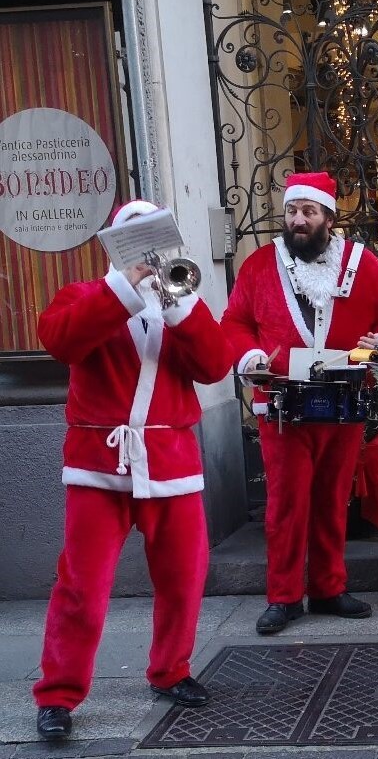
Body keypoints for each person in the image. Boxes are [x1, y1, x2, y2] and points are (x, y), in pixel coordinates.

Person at [32, 200, 234, 740]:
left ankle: (171, 670)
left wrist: (179, 307)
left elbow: (216, 365)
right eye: (135, 241)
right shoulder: (85, 295)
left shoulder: (182, 298)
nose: (149, 255)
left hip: (171, 464)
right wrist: (123, 290)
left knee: (184, 578)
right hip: (99, 466)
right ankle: (57, 694)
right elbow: (61, 339)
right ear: (114, 247)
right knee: (83, 586)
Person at [221, 171, 378, 635]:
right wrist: (249, 354)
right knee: (284, 503)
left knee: (332, 499)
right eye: (291, 211)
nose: (298, 220)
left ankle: (328, 587)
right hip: (281, 406)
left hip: (342, 401)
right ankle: (283, 597)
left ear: (329, 216)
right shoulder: (260, 264)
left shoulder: (363, 265)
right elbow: (235, 322)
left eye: (308, 211)